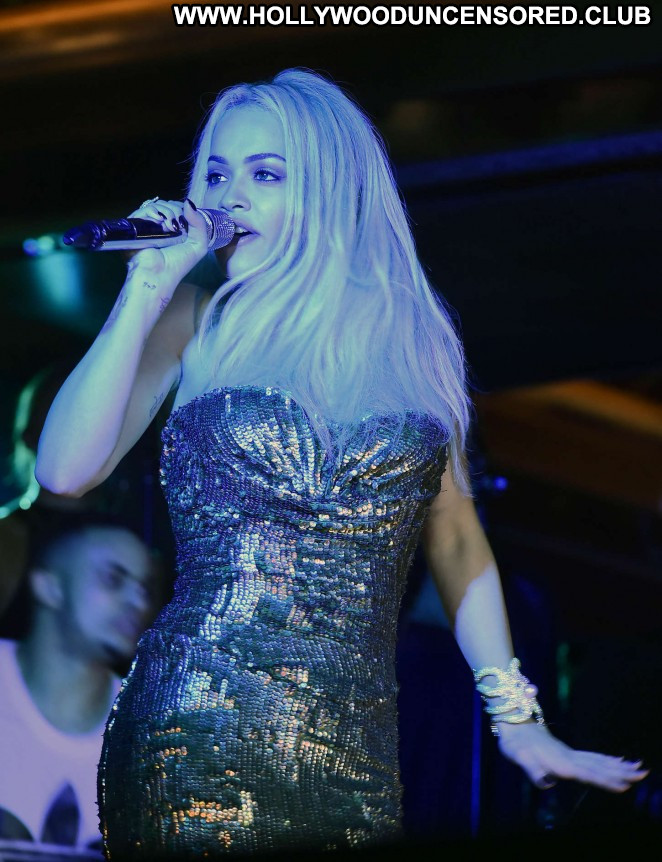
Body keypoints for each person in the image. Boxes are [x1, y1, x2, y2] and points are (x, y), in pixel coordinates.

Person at [35, 69, 647, 858]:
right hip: (196, 730)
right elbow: (64, 472)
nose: (230, 197)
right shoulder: (196, 320)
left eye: (266, 175)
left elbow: (459, 543)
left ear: (329, 190)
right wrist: (145, 289)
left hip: (354, 751)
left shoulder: (412, 340)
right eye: (215, 175)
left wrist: (519, 721)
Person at [0, 518, 157, 851]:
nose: (139, 603)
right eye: (113, 580)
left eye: (143, 589)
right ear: (49, 587)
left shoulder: (149, 729)